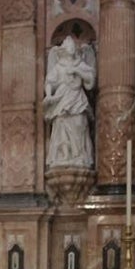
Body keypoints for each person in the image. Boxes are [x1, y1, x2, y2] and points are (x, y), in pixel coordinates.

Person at [43, 35, 96, 169]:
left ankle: (80, 156)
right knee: (61, 124)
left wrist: (77, 70)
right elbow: (50, 82)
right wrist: (49, 95)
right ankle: (63, 157)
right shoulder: (59, 66)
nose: (70, 46)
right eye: (68, 44)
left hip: (77, 98)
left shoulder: (80, 64)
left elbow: (90, 80)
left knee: (79, 124)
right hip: (62, 98)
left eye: (72, 45)